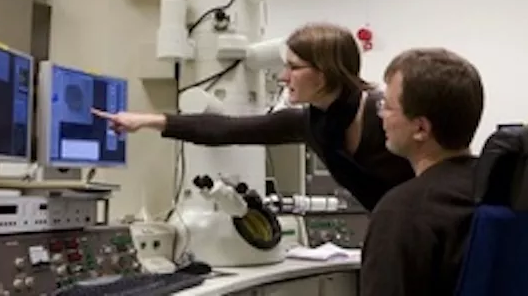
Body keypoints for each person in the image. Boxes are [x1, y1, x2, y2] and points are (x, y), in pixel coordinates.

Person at [92, 22, 415, 211]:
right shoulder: (311, 123)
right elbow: (226, 130)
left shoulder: (383, 111)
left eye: (293, 67)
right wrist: (146, 121)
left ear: (325, 72)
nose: (283, 77)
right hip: (394, 231)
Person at [360, 48, 484, 296]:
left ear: (420, 128)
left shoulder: (403, 211)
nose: (381, 115)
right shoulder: (502, 187)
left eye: (388, 107)